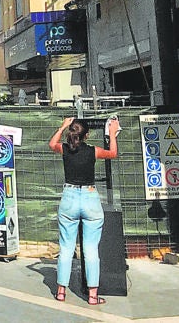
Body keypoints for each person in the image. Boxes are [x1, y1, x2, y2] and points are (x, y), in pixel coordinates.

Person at [49, 115, 120, 305]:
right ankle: (93, 296)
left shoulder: (64, 149)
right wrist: (112, 133)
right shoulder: (93, 151)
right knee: (90, 250)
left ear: (72, 133)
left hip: (69, 198)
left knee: (66, 248)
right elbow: (113, 153)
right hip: (90, 199)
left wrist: (62, 126)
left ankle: (61, 292)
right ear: (87, 135)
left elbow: (51, 144)